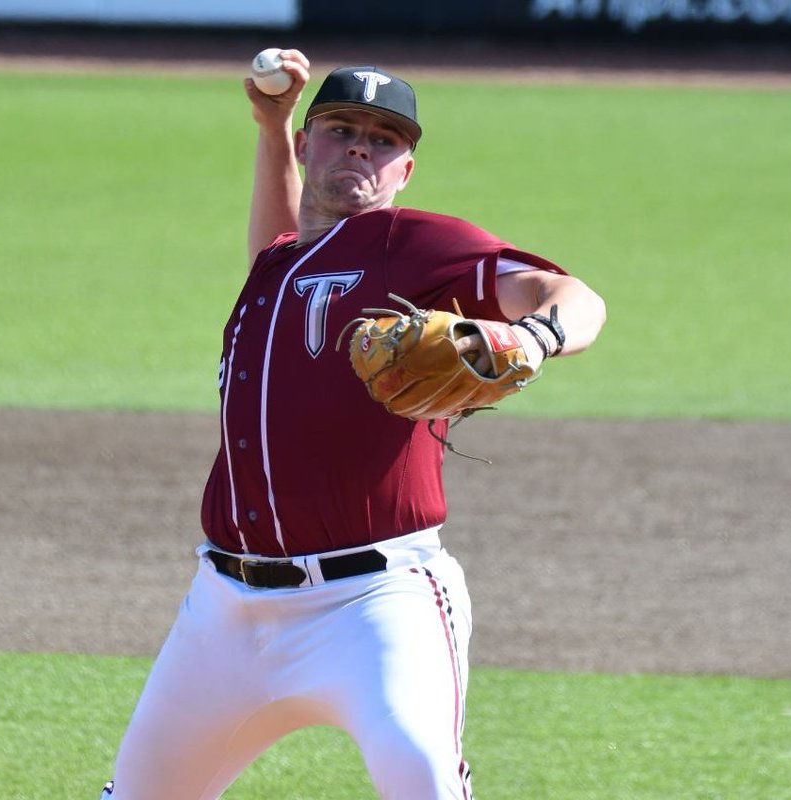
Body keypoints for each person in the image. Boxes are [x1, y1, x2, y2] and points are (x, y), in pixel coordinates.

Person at [102, 50, 606, 800]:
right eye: (340, 129)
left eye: (384, 138)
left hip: (374, 605)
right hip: (225, 612)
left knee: (424, 780)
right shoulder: (280, 266)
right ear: (311, 146)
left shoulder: (415, 243)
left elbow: (570, 293)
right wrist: (271, 129)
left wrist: (533, 336)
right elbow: (281, 247)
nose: (362, 148)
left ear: (406, 169)